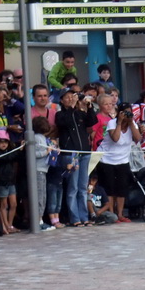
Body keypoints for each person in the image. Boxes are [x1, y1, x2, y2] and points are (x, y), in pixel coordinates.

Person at [55, 88, 95, 227]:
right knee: (73, 187)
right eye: (67, 97)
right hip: (71, 153)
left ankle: (85, 217)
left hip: (84, 152)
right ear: (61, 100)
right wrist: (71, 107)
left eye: (72, 96)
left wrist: (89, 107)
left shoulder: (79, 113)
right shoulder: (60, 114)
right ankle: (74, 217)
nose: (70, 99)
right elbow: (64, 123)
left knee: (83, 186)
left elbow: (92, 121)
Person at [97, 100, 141, 221]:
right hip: (107, 160)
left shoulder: (133, 124)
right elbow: (115, 138)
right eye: (125, 113)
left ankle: (120, 214)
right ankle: (113, 215)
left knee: (122, 189)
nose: (127, 115)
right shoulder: (112, 123)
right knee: (110, 188)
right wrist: (120, 122)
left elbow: (138, 138)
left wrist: (131, 123)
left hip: (123, 160)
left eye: (129, 113)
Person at [0, 130, 22, 234]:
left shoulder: (11, 152)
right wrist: (18, 150)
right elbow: (7, 158)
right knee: (4, 204)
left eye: (5, 142)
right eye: (0, 141)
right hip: (1, 181)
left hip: (11, 181)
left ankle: (10, 224)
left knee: (14, 204)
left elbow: (13, 157)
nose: (3, 144)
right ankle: (6, 225)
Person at [31, 117, 57, 231]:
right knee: (39, 196)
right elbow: (34, 153)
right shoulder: (36, 138)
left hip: (43, 169)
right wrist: (47, 151)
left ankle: (40, 219)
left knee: (43, 196)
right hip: (38, 170)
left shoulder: (43, 138)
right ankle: (38, 221)